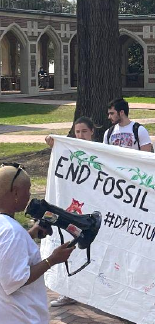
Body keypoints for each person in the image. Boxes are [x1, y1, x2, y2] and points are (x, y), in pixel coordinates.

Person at [0, 164, 75, 324]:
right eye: (28, 189)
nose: (30, 194)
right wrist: (53, 259)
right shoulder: (11, 231)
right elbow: (14, 280)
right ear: (15, 193)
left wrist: (31, 233)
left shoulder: (8, 229)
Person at [44, 116, 96, 308]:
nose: (80, 135)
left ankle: (95, 292)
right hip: (74, 209)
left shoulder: (101, 153)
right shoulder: (70, 150)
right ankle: (69, 291)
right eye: (77, 132)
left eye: (84, 131)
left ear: (92, 132)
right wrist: (53, 145)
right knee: (71, 247)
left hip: (94, 211)